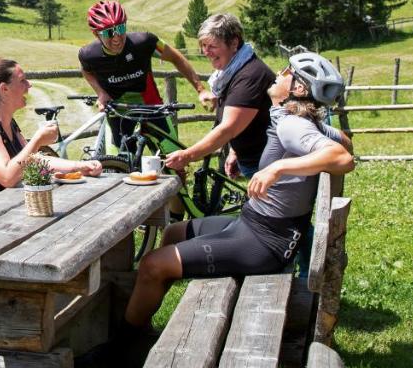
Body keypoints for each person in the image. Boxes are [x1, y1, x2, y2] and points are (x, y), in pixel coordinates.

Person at [122, 51, 354, 335]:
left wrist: (278, 169)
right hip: (254, 225)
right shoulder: (294, 118)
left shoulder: (293, 124)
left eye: (286, 72)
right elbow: (343, 141)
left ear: (299, 88)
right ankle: (148, 304)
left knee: (151, 264)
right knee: (172, 234)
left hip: (265, 243)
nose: (278, 74)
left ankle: (129, 339)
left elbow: (343, 158)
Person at [0, 57, 102, 215]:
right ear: (4, 89)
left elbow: (33, 160)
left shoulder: (9, 124)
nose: (29, 85)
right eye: (22, 81)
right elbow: (7, 177)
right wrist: (37, 140)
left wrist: (79, 166)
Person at [78, 0, 207, 151]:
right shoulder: (88, 55)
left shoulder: (145, 42)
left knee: (175, 162)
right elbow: (86, 70)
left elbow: (175, 58)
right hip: (118, 111)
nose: (116, 37)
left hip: (152, 107)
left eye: (120, 28)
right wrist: (101, 93)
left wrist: (200, 89)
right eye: (108, 32)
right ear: (96, 34)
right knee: (119, 167)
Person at [164, 12, 275, 179]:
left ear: (234, 43)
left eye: (212, 46)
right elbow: (244, 120)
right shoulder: (232, 71)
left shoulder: (251, 75)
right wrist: (235, 151)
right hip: (254, 160)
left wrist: (187, 156)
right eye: (203, 45)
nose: (206, 52)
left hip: (265, 165)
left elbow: (228, 128)